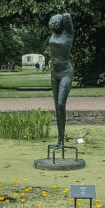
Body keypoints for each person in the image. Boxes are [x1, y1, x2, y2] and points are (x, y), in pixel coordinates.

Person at [48, 13, 74, 147]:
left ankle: (62, 139)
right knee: (56, 108)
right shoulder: (54, 34)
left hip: (66, 73)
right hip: (54, 74)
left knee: (60, 105)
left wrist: (61, 16)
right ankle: (60, 141)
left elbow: (67, 16)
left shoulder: (68, 34)